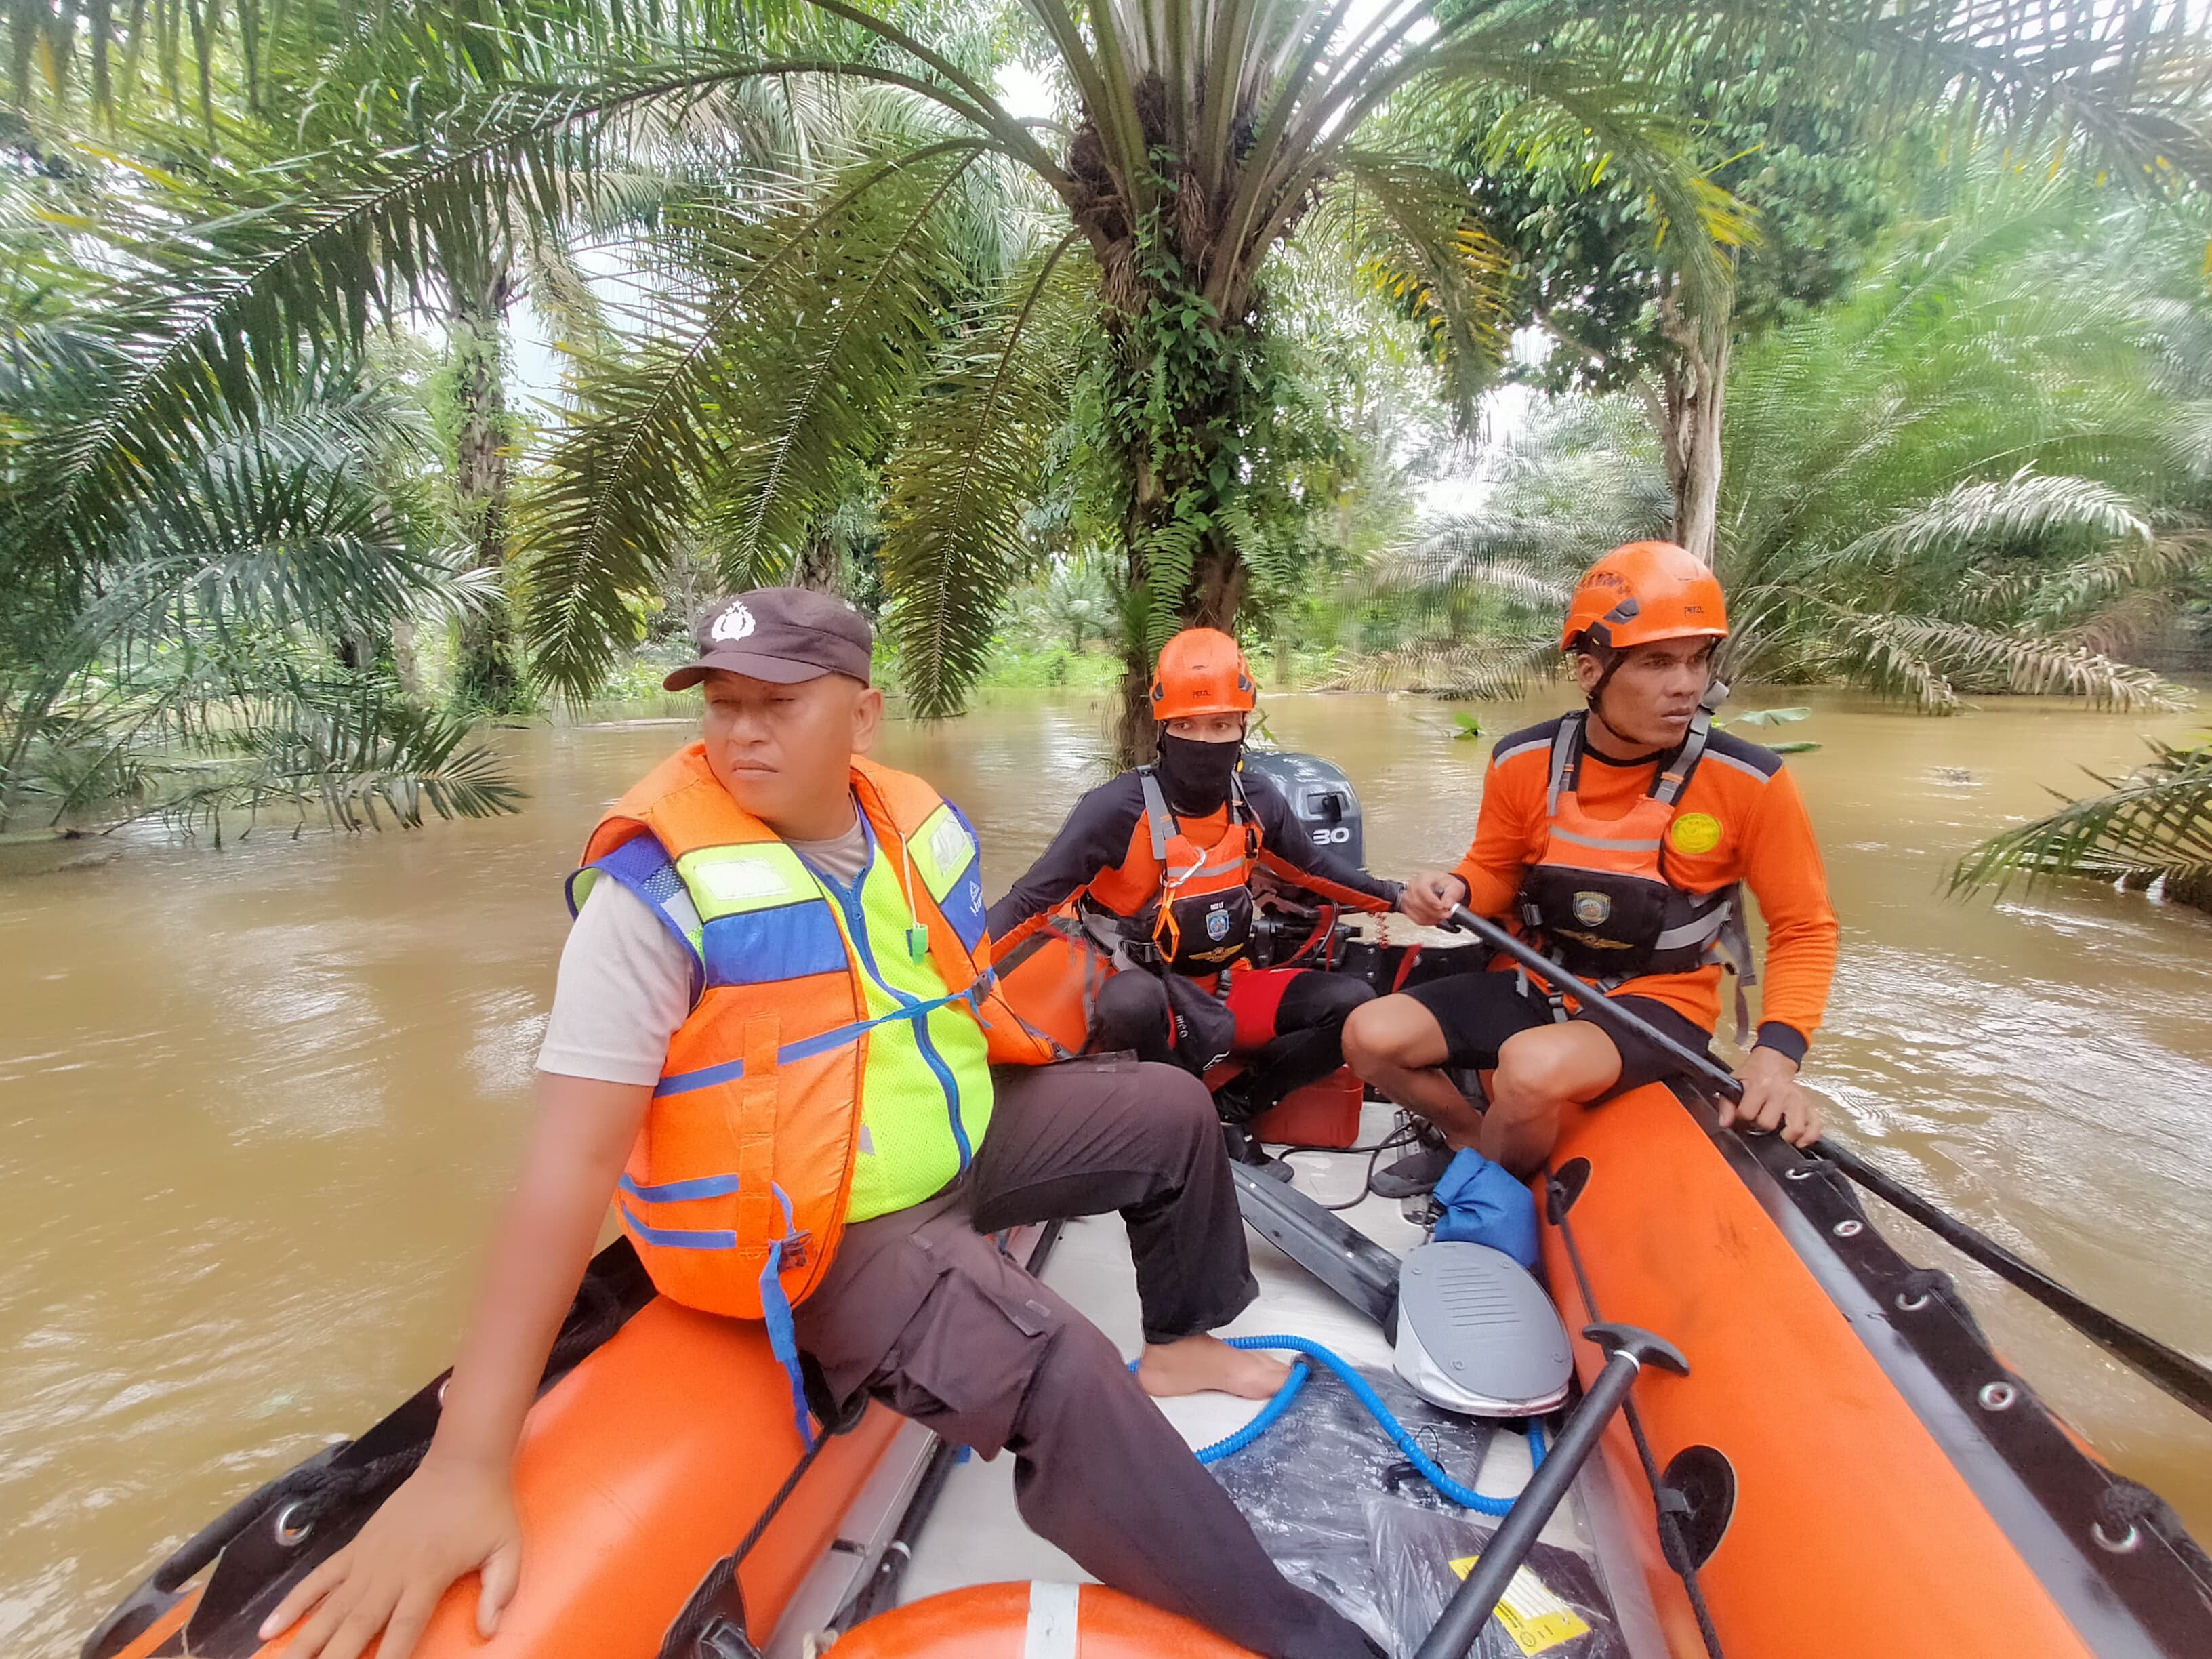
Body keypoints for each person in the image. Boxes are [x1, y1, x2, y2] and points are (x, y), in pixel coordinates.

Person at [258, 589, 1377, 1659]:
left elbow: (942, 997)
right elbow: (560, 1173)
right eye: (722, 703)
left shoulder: (914, 827)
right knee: (1061, 1369)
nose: (742, 732)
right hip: (823, 1227)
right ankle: (1289, 1633)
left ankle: (1181, 1347)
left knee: (1169, 1106)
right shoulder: (653, 895)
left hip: (950, 1137)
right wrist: (466, 1459)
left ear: (862, 711)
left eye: (777, 701)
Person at [1343, 542, 1839, 1194]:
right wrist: (1457, 887)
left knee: (1529, 1067)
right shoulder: (1522, 762)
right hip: (1537, 979)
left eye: (1696, 661)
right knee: (1368, 1034)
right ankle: (1468, 1142)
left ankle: (1489, 1191)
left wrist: (1775, 1058)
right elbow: (1494, 870)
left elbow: (1804, 928)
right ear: (1588, 670)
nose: (1686, 684)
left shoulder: (1750, 782)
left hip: (1658, 1003)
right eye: (1658, 662)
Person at [987, 628, 1406, 1170]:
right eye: (1187, 725)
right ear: (1163, 727)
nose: (1205, 740)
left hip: (1225, 987)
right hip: (1141, 994)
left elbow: (1317, 869)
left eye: (1221, 724)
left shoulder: (1256, 802)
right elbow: (1029, 903)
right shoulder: (1115, 810)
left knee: (1352, 1004)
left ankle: (1234, 1106)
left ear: (1243, 726)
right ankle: (1185, 1119)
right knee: (1129, 1002)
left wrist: (1396, 898)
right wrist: (942, 970)